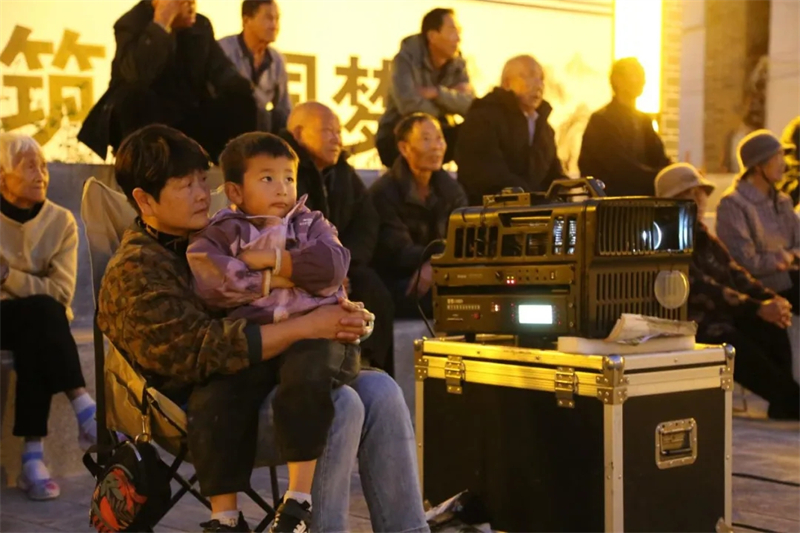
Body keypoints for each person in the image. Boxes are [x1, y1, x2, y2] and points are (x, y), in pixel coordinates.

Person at [97, 124, 429, 533]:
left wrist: (341, 315)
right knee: (343, 404)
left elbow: (321, 275)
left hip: (274, 371)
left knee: (382, 390)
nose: (202, 194)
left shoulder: (220, 233)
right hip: (207, 410)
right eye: (186, 186)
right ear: (145, 199)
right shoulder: (136, 269)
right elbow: (202, 352)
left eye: (202, 180)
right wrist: (308, 325)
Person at [186, 133, 359, 532]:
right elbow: (212, 281)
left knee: (306, 375)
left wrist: (271, 259)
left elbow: (333, 267)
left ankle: (298, 500)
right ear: (235, 191)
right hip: (257, 338)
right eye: (267, 178)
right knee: (214, 396)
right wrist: (288, 279)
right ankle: (224, 517)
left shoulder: (312, 223)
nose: (282, 188)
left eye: (288, 178)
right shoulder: (223, 230)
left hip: (319, 337)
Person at [655, 162, 799, 420]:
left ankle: (784, 402)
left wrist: (770, 299)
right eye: (688, 194)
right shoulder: (664, 239)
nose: (699, 200)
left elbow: (735, 273)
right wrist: (756, 307)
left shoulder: (702, 234)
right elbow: (699, 286)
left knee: (772, 325)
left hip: (725, 312)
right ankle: (791, 400)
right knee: (732, 341)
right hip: (691, 321)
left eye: (700, 193)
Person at [0, 133, 99, 500]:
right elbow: (50, 293)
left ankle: (33, 459)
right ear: (2, 176)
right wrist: (32, 286)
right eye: (29, 167)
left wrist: (7, 276)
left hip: (37, 322)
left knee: (39, 324)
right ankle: (85, 412)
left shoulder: (61, 221)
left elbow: (61, 293)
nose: (41, 174)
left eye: (43, 166)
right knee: (42, 316)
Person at [280, 102, 395, 372]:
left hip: (344, 265)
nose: (336, 139)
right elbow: (282, 228)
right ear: (299, 133)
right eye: (327, 131)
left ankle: (371, 366)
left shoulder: (343, 170)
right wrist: (323, 270)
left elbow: (366, 222)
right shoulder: (283, 169)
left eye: (339, 132)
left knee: (375, 291)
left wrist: (344, 264)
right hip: (295, 268)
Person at [79, 0, 256, 162]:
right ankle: (141, 165)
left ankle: (236, 166)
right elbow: (138, 75)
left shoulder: (200, 26)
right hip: (146, 116)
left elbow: (221, 69)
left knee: (241, 100)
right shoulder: (132, 22)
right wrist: (161, 24)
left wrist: (242, 88)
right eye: (184, 2)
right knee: (136, 98)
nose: (191, 7)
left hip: (187, 114)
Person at [370, 113, 467, 318]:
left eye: (439, 138)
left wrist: (436, 263)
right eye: (426, 139)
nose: (436, 146)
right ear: (404, 148)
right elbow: (397, 251)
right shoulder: (384, 192)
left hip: (443, 271)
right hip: (400, 278)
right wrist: (436, 259)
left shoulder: (452, 190)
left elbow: (465, 241)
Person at [456, 55, 567, 205]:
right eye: (528, 76)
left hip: (538, 212)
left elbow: (554, 175)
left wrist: (568, 190)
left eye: (541, 78)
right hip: (491, 212)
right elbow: (487, 174)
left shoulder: (545, 129)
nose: (538, 85)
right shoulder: (483, 119)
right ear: (507, 83)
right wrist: (532, 199)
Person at [375, 7, 473, 168]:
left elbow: (471, 106)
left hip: (439, 132)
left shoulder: (458, 64)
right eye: (452, 31)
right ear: (432, 36)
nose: (458, 38)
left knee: (474, 128)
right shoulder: (405, 59)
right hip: (396, 136)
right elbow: (409, 105)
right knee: (421, 131)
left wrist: (437, 93)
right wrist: (449, 104)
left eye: (459, 31)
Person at [716, 129, 800, 313]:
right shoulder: (733, 204)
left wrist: (791, 256)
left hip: (792, 278)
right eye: (776, 157)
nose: (783, 164)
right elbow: (743, 260)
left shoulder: (783, 201)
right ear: (758, 166)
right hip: (759, 289)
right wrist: (779, 260)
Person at [578, 57, 671, 196]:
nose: (641, 80)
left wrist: (676, 173)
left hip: (645, 199)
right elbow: (619, 168)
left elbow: (659, 158)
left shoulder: (643, 121)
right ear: (617, 80)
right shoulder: (601, 120)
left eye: (642, 75)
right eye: (635, 74)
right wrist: (660, 177)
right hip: (612, 202)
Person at [218, 0, 291, 134]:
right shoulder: (223, 50)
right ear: (246, 20)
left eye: (277, 19)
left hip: (260, 131)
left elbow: (283, 109)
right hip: (224, 127)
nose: (274, 26)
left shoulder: (277, 60)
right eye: (268, 18)